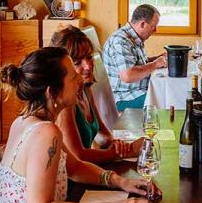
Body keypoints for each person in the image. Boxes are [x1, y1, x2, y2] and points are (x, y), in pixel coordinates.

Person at [0, 47, 160, 203]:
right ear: (52, 92)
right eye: (72, 76)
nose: (79, 78)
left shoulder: (25, 121)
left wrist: (121, 182)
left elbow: (76, 168)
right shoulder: (46, 132)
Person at [50, 26, 143, 163]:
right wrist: (128, 151)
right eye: (77, 62)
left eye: (89, 57)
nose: (88, 66)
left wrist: (116, 145)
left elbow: (102, 132)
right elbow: (78, 156)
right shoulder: (66, 103)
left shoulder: (85, 89)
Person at [102, 4, 167, 111]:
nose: (155, 30)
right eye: (153, 26)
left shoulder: (134, 37)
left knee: (165, 92)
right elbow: (128, 75)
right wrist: (155, 64)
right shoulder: (121, 41)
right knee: (164, 99)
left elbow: (138, 63)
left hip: (137, 91)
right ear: (143, 24)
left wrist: (157, 58)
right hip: (124, 97)